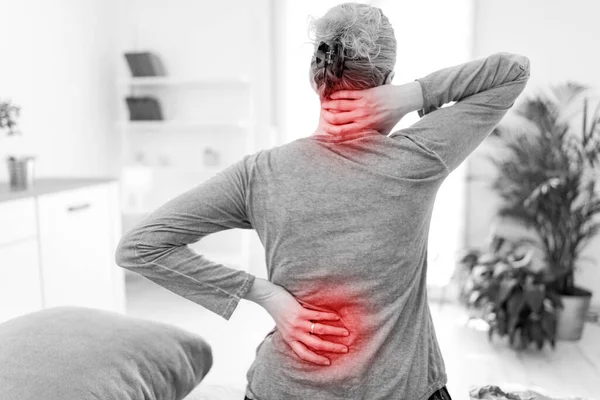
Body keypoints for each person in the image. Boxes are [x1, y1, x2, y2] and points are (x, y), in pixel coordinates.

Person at [115, 3, 530, 399]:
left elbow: (139, 247)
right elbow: (513, 71)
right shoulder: (418, 158)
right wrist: (414, 95)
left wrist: (263, 293)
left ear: (316, 77)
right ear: (386, 80)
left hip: (281, 388)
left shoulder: (260, 173)